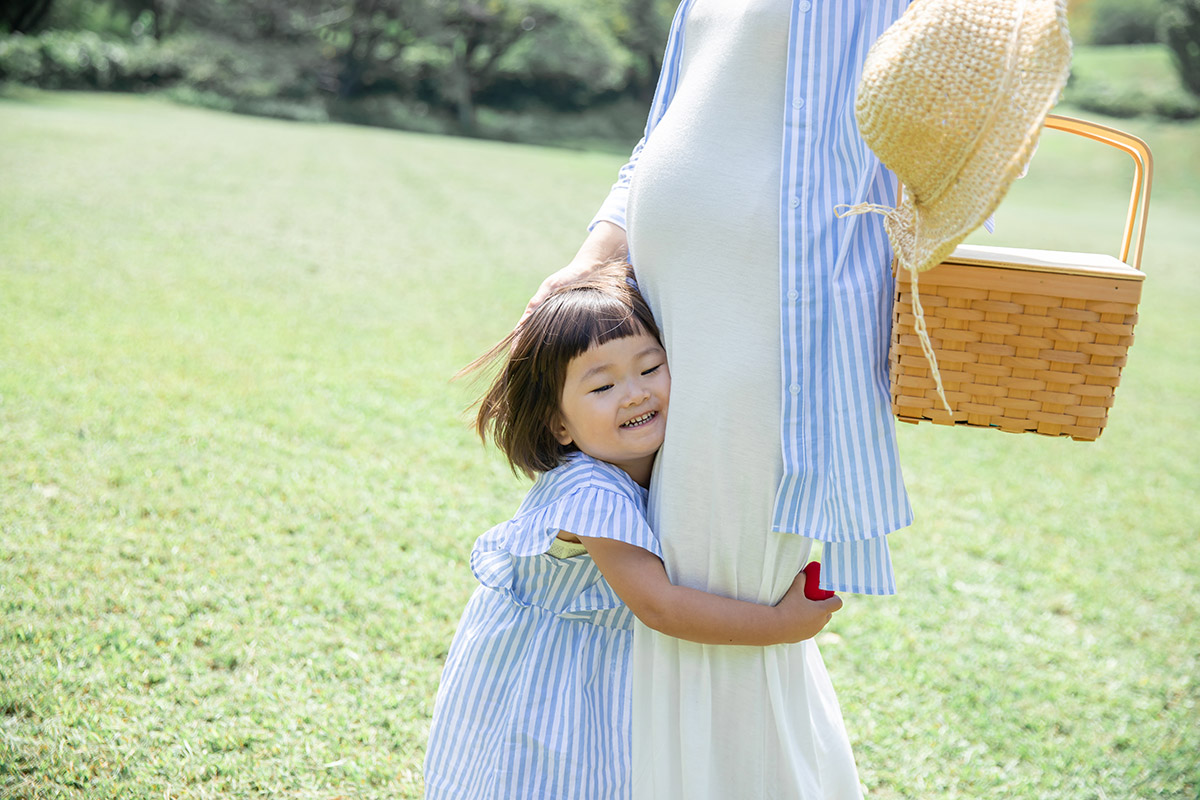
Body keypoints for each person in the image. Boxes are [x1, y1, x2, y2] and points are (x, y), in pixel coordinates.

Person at [524, 2, 918, 798]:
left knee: (720, 571)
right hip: (660, 303)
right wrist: (600, 250)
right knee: (684, 561)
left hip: (770, 301)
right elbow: (669, 124)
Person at [423, 265, 843, 800]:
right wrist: (779, 625)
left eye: (650, 368)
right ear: (559, 424)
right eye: (603, 386)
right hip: (550, 680)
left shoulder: (666, 465)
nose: (634, 394)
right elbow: (659, 605)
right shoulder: (591, 493)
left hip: (603, 672)